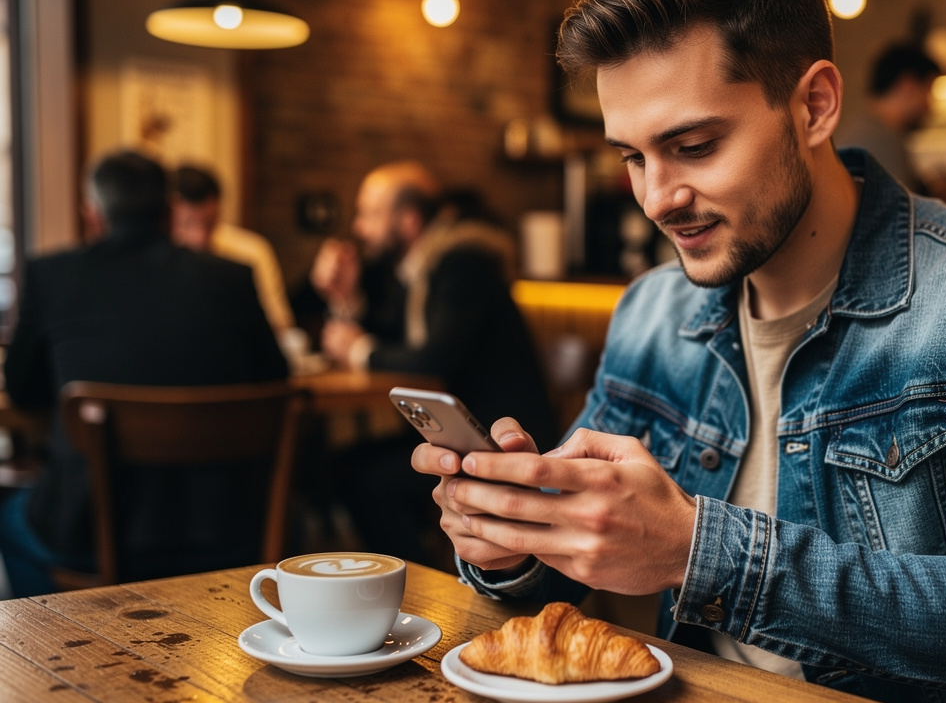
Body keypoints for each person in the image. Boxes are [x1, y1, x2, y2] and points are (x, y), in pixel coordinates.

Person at [411, 0, 946, 701]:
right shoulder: (653, 312)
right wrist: (512, 545)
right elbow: (566, 567)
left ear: (813, 105)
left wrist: (698, 551)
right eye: (632, 157)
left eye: (693, 147)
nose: (657, 197)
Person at [0, 150, 288, 597]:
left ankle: (54, 644)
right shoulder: (231, 279)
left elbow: (23, 391)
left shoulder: (50, 277)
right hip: (226, 529)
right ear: (170, 212)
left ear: (93, 214)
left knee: (11, 519)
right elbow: (277, 380)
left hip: (90, 531)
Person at [292, 161, 555, 568]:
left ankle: (417, 583)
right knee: (344, 466)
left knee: (363, 478)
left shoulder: (462, 263)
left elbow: (433, 357)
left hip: (503, 439)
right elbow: (395, 337)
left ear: (409, 220)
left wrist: (360, 349)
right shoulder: (419, 271)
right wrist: (346, 300)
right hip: (458, 434)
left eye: (369, 214)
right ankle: (415, 575)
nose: (360, 228)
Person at [170, 165, 296, 335]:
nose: (200, 237)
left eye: (209, 223)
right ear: (167, 219)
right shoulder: (154, 261)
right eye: (187, 224)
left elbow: (281, 325)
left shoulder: (251, 252)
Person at [841, 43, 941, 196]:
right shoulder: (881, 140)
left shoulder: (864, 131)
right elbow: (905, 215)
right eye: (929, 91)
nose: (931, 105)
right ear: (908, 87)